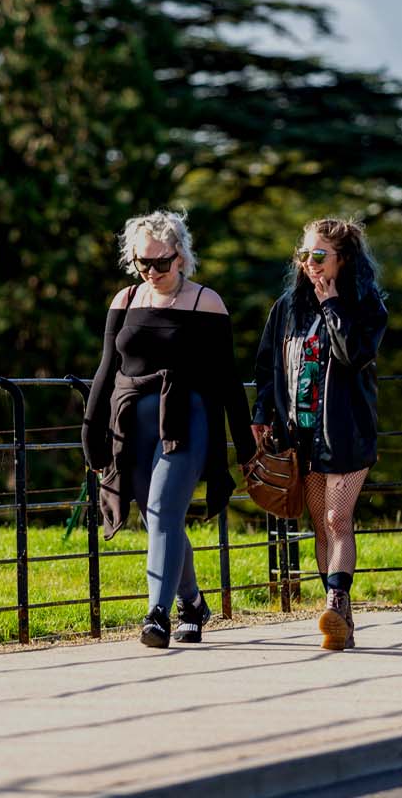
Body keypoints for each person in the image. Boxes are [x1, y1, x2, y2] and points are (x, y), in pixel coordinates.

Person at [81, 210, 256, 648]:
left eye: (161, 262)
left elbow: (229, 381)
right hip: (131, 425)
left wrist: (245, 443)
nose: (152, 272)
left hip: (186, 421)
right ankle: (192, 603)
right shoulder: (124, 301)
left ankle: (156, 614)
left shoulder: (207, 303)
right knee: (162, 518)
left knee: (161, 510)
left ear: (181, 257)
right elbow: (106, 370)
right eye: (144, 263)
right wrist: (90, 431)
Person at [252, 218, 387, 650]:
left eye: (318, 256)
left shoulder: (368, 307)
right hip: (301, 435)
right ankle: (339, 619)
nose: (309, 264)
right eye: (304, 255)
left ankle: (335, 597)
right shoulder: (287, 308)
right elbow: (267, 367)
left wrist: (332, 306)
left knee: (336, 518)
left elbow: (353, 356)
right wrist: (262, 413)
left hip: (346, 432)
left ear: (342, 259)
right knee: (320, 527)